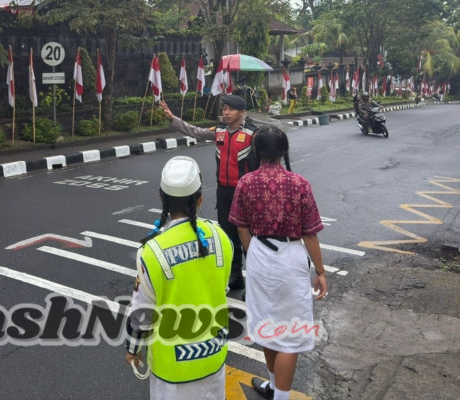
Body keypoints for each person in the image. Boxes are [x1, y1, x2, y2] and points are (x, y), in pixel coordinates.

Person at [228, 126, 327, 400]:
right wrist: (320, 271)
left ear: (256, 151)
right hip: (290, 255)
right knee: (290, 334)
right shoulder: (299, 184)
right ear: (284, 151)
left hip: (259, 252)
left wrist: (257, 254)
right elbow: (309, 232)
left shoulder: (246, 183)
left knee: (267, 325)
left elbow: (242, 228)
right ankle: (278, 395)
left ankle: (274, 387)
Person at [125, 156, 233, 400]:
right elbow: (223, 286)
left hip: (173, 369)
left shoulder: (151, 252)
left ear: (162, 198)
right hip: (214, 356)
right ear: (200, 198)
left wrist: (132, 349)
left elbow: (142, 313)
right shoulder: (220, 237)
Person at [158, 95, 258, 295]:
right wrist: (173, 118)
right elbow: (196, 131)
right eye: (224, 109)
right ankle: (236, 276)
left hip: (245, 193)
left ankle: (255, 282)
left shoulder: (253, 134)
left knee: (249, 238)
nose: (226, 113)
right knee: (229, 236)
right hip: (224, 192)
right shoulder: (219, 130)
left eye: (231, 109)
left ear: (242, 112)